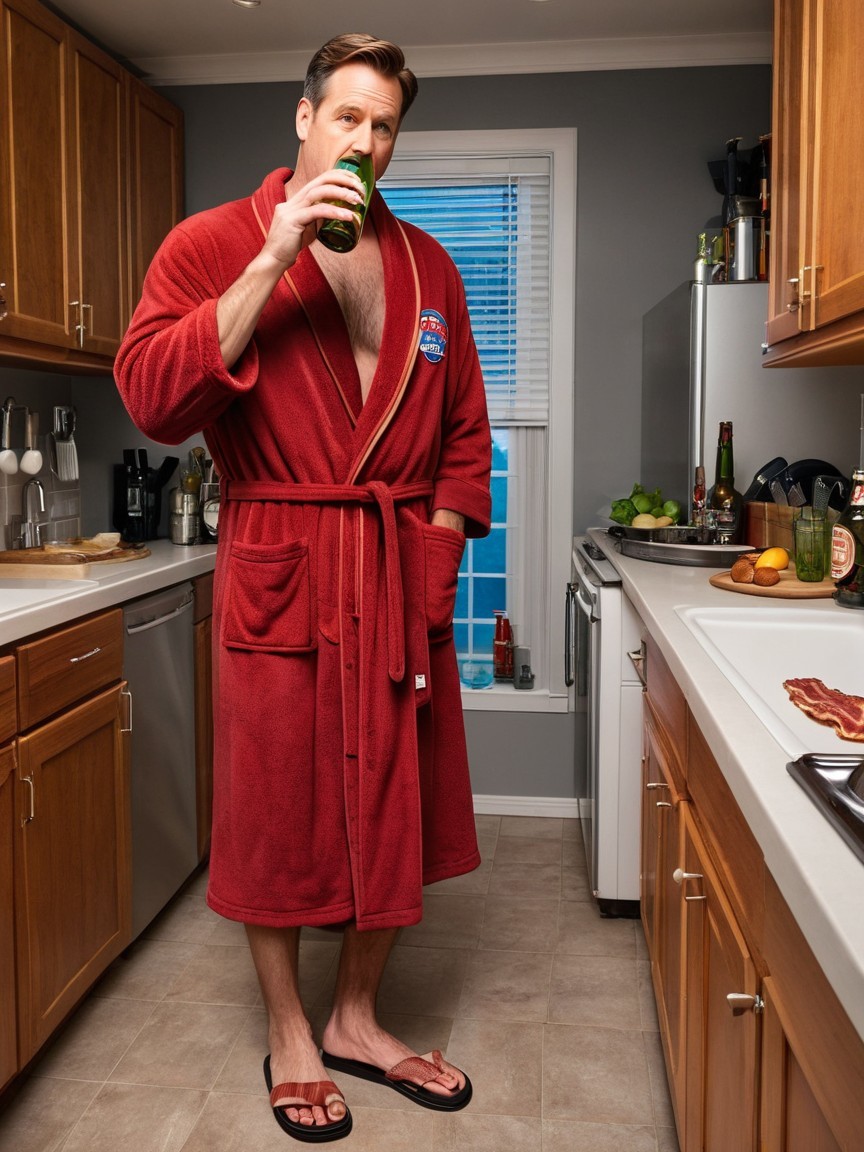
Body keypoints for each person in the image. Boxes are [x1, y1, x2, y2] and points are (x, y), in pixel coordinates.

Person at [115, 32, 492, 1144]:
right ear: (302, 117)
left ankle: (359, 1020)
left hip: (394, 571)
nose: (365, 142)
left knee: (395, 800)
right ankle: (290, 1029)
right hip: (283, 564)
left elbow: (464, 436)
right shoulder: (213, 242)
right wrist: (272, 256)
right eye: (347, 118)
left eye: (384, 126)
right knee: (277, 808)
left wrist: (435, 552)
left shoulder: (429, 266)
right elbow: (152, 397)